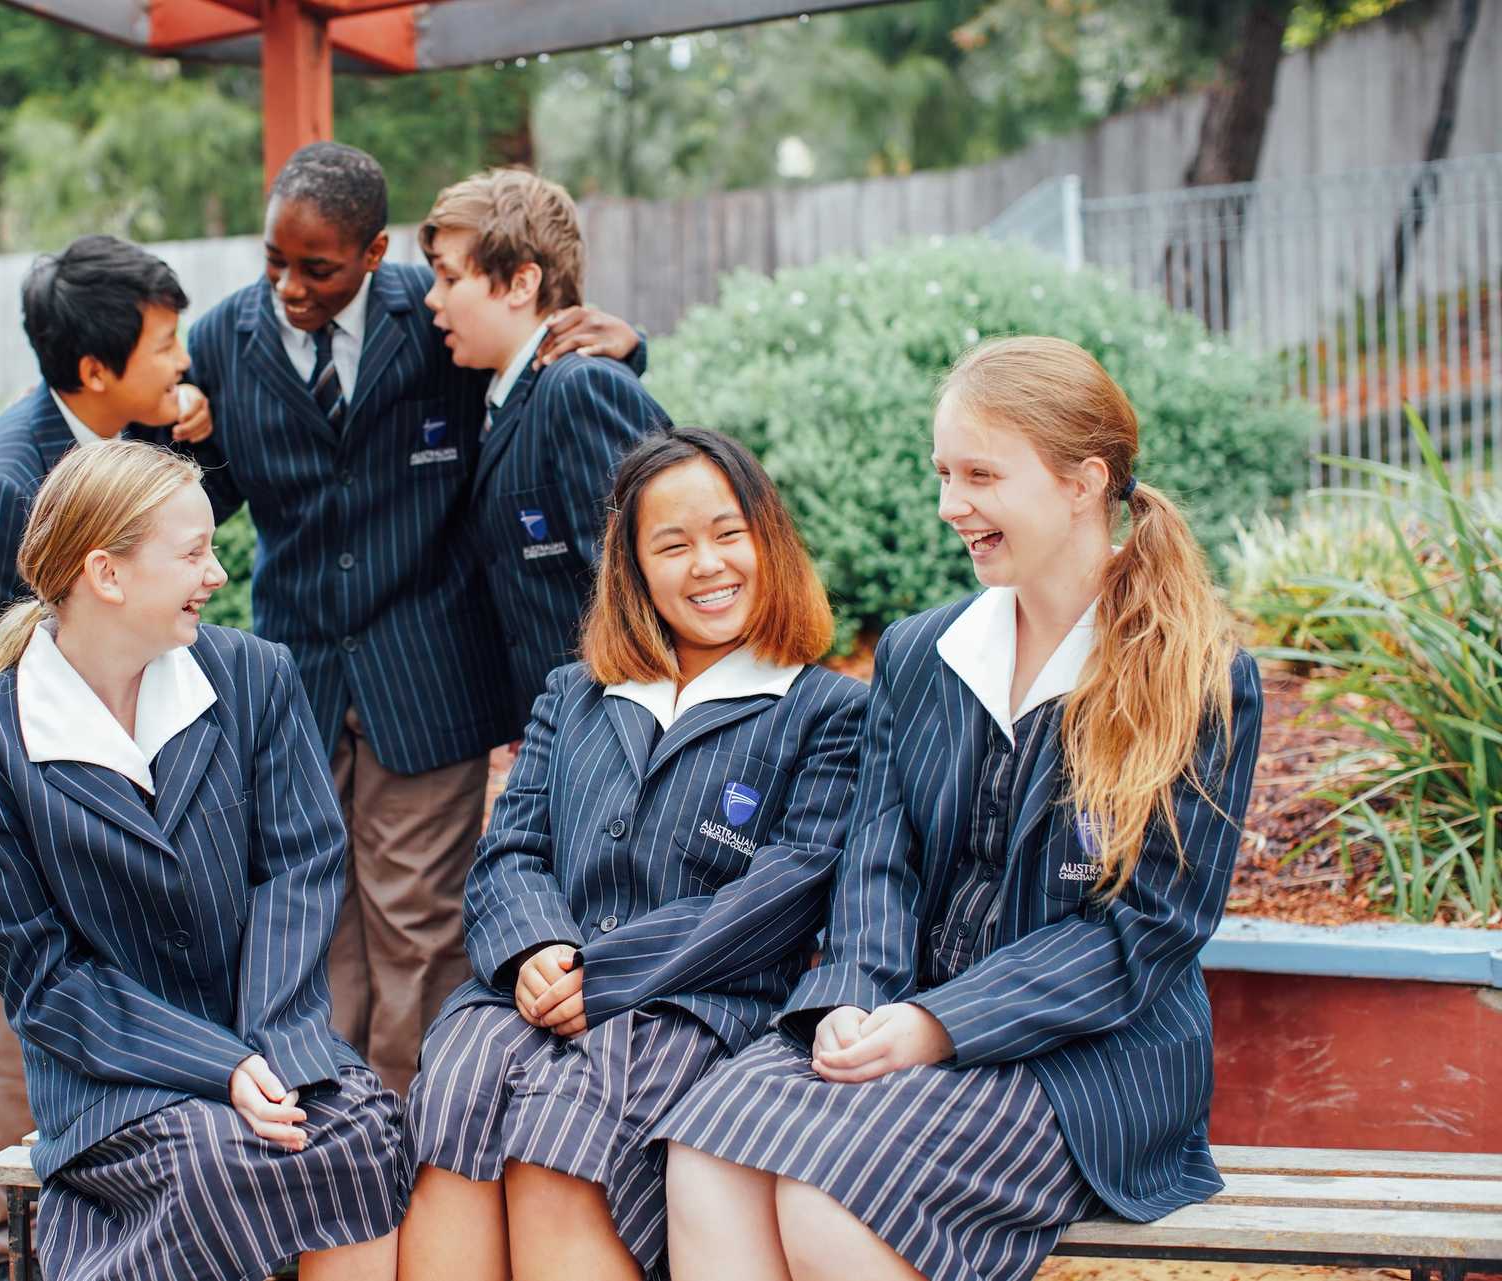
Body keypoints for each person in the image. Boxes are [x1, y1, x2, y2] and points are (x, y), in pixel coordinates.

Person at [656, 336, 1265, 1281]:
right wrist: (852, 997)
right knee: (707, 1152)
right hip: (903, 1017)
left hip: (1085, 1060)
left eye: (981, 474)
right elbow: (876, 866)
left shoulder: (1199, 677)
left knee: (826, 1195)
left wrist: (940, 1026)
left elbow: (1145, 931)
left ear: (1082, 483)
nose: (950, 506)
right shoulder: (920, 652)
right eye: (944, 473)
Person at [183, 142, 649, 1093]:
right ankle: (328, 1125)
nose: (290, 288)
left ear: (370, 252)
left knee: (420, 926)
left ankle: (415, 1142)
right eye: (275, 262)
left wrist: (626, 351)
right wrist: (165, 415)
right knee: (309, 923)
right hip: (297, 681)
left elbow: (555, 383)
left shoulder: (432, 315)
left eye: (316, 268)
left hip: (425, 677)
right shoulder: (226, 339)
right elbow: (195, 489)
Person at [0, 441, 405, 1281]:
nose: (215, 571)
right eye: (192, 552)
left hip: (273, 1030)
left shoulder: (254, 675)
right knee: (209, 1156)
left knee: (357, 1131)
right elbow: (45, 981)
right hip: (113, 1077)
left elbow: (301, 867)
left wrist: (268, 1048)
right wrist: (220, 1065)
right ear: (106, 574)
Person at [398, 427, 869, 1281]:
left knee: (561, 1128)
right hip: (534, 992)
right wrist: (535, 949)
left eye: (730, 534)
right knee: (460, 1077)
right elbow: (509, 849)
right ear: (635, 566)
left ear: (769, 539)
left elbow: (787, 890)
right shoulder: (575, 693)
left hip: (692, 1005)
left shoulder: (824, 709)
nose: (708, 564)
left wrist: (603, 972)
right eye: (673, 544)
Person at [0, 235, 212, 1281]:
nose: (182, 362)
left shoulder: (95, 454)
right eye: (165, 346)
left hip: (56, 813)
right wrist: (6, 863)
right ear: (94, 372)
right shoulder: (2, 491)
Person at [420, 167, 670, 714]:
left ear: (521, 283)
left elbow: (639, 583)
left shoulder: (580, 387)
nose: (432, 300)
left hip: (614, 730)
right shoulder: (501, 395)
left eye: (448, 278)